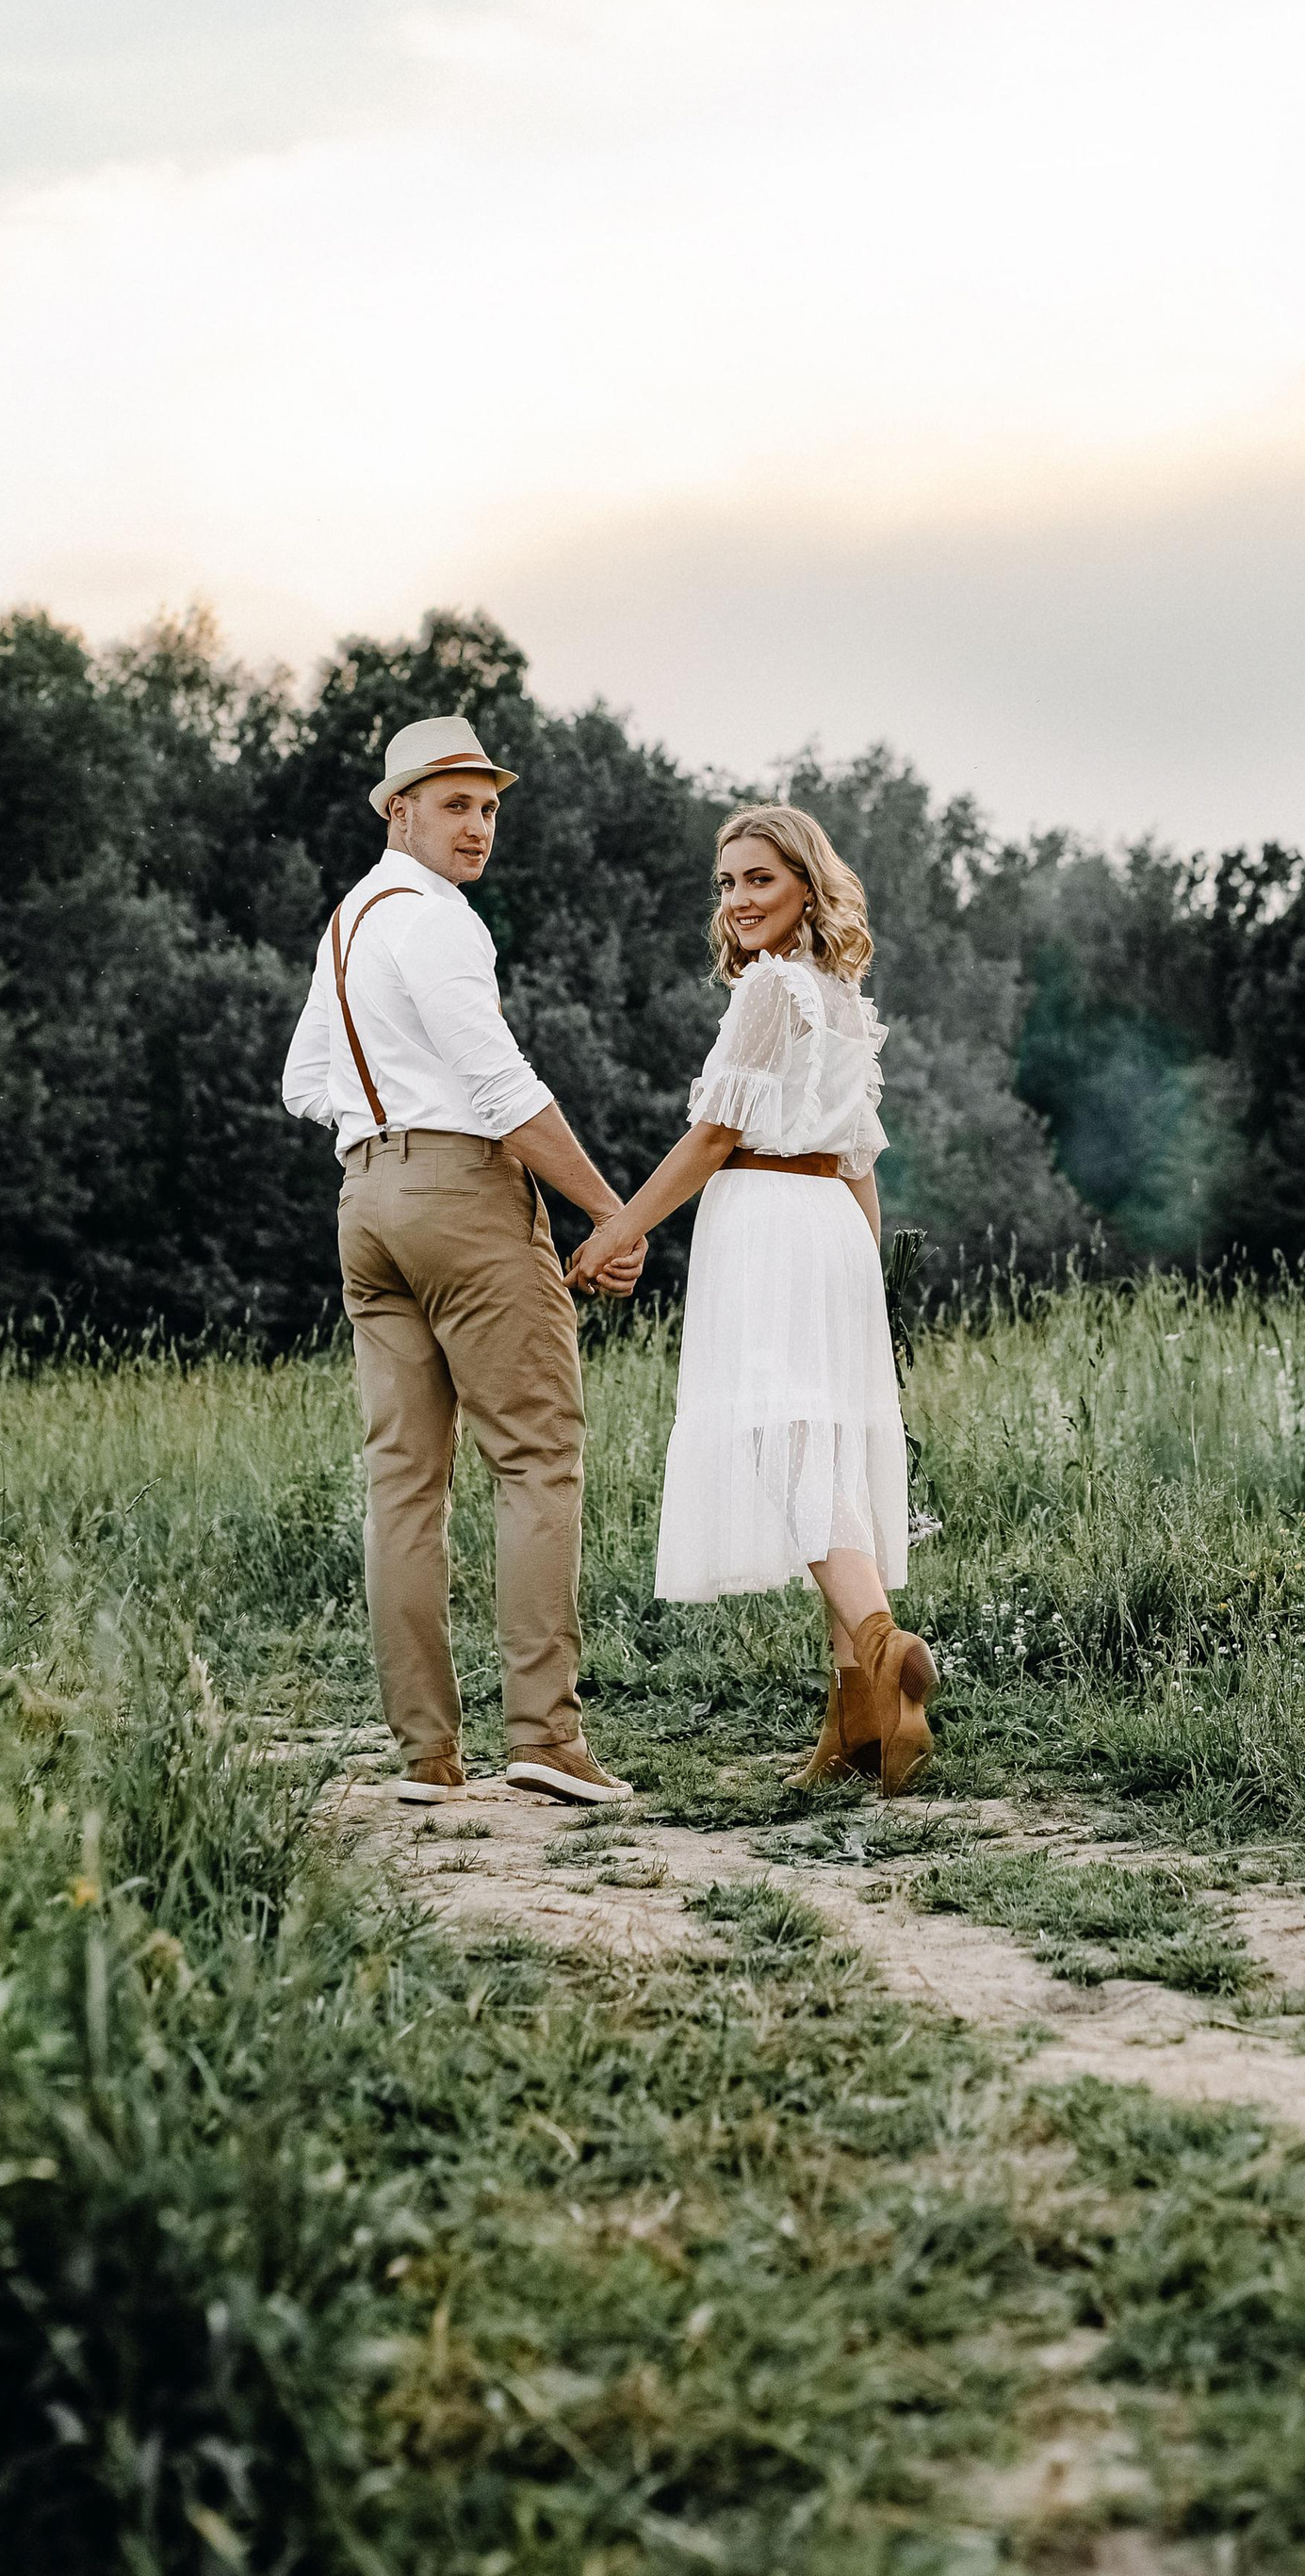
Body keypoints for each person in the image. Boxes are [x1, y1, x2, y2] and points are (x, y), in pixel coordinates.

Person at [281, 712, 645, 1807]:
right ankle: (544, 1734)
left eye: (487, 805)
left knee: (405, 1485)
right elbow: (500, 1085)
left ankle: (427, 1757)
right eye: (453, 803)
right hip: (460, 1194)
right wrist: (610, 1211)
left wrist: (375, 1126)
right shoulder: (436, 921)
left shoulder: (346, 922)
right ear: (399, 811)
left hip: (367, 1202)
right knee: (537, 1456)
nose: (477, 825)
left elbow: (303, 1081)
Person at [565, 805, 936, 1793]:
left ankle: (881, 1643)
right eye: (726, 884)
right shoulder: (842, 996)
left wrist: (620, 1226)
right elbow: (860, 1158)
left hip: (770, 1223)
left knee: (782, 1441)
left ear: (806, 886)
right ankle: (857, 1726)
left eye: (758, 880)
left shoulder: (772, 991)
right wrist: (866, 1283)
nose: (736, 902)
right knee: (824, 1449)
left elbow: (712, 1135)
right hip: (831, 1229)